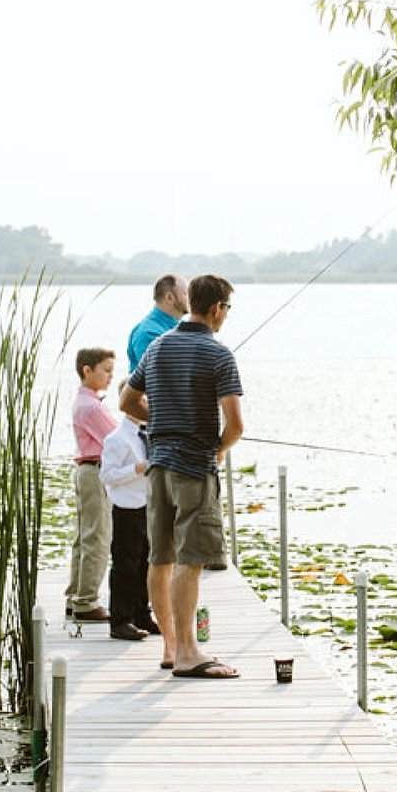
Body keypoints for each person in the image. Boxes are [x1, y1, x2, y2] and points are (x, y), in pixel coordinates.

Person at [120, 274, 243, 677]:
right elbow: (236, 425)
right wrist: (217, 448)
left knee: (161, 557)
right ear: (216, 309)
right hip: (193, 467)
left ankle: (172, 647)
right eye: (227, 308)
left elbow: (127, 401)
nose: (226, 316)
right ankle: (190, 653)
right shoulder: (218, 355)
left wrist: (161, 423)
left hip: (159, 466)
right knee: (190, 560)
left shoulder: (156, 347)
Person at [63, 347, 118, 624]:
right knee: (98, 536)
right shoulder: (90, 406)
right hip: (95, 472)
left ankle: (76, 597)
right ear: (87, 370)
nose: (111, 376)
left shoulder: (86, 402)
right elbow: (115, 439)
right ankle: (86, 602)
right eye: (106, 370)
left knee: (84, 537)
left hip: (88, 471)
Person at [99, 412, 156, 641]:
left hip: (147, 504)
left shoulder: (147, 433)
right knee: (126, 564)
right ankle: (120, 620)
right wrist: (136, 469)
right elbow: (107, 475)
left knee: (145, 562)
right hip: (126, 506)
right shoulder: (117, 438)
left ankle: (142, 613)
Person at [125, 274, 184, 376]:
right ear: (169, 297)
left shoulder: (176, 327)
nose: (191, 299)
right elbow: (158, 377)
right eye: (186, 293)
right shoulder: (148, 333)